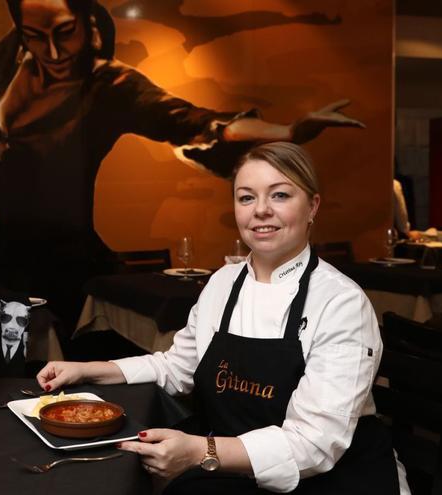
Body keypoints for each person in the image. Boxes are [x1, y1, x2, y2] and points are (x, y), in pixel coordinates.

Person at [0, 0, 364, 326]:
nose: (54, 52)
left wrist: (288, 132)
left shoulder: (110, 87)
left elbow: (197, 121)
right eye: (36, 37)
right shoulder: (2, 71)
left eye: (65, 32)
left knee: (63, 380)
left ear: (87, 21)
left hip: (64, 263)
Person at [37, 142, 409, 494]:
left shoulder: (341, 302)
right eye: (247, 197)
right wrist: (87, 370)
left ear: (312, 206)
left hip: (333, 478)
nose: (260, 210)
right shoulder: (223, 283)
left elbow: (314, 444)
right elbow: (175, 368)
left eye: (279, 195)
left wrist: (201, 451)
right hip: (233, 468)